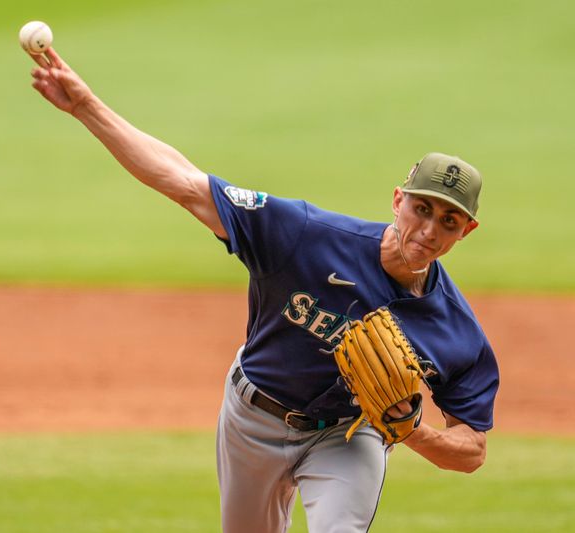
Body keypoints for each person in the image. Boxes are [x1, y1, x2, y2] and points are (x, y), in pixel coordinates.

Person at [26, 47, 499, 533]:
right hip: (253, 419)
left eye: (448, 220)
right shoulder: (304, 234)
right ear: (398, 200)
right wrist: (86, 107)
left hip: (348, 435)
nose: (429, 229)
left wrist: (413, 432)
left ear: (467, 230)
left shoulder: (453, 328)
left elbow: (471, 451)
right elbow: (186, 183)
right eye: (421, 208)